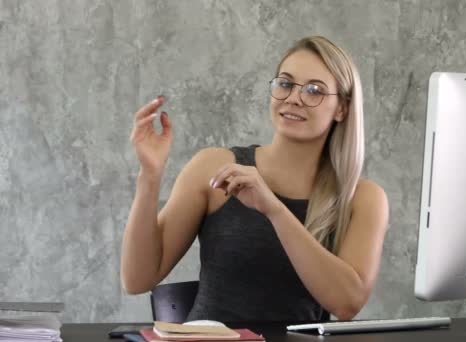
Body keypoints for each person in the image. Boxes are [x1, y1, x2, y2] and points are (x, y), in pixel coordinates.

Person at [120, 36, 389, 322]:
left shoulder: (362, 198)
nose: (294, 98)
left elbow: (347, 304)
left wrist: (273, 209)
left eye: (314, 90)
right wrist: (149, 176)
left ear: (342, 108)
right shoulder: (213, 167)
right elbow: (137, 279)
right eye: (285, 84)